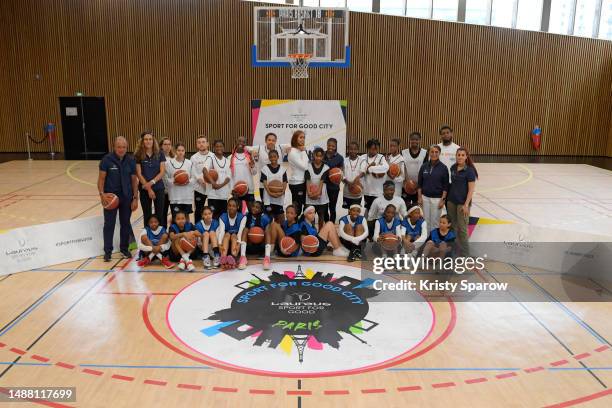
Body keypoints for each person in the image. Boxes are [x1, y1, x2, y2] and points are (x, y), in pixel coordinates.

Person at [98, 136, 138, 262]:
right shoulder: (106, 160)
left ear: (127, 148)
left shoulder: (131, 160)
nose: (121, 149)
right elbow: (101, 179)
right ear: (114, 147)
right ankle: (107, 251)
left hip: (127, 197)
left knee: (125, 223)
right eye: (119, 147)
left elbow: (134, 181)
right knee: (109, 224)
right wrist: (102, 194)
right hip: (111, 197)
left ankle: (124, 249)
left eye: (124, 147)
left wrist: (135, 198)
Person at [446, 147, 477, 256]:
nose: (460, 157)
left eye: (462, 155)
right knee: (453, 227)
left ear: (466, 157)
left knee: (462, 229)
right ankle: (455, 250)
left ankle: (466, 254)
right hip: (451, 202)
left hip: (462, 204)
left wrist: (466, 204)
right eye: (458, 155)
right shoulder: (453, 168)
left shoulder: (470, 171)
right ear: (456, 156)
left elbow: (471, 190)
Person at [135, 131, 166, 228]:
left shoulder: (160, 153)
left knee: (159, 214)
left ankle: (160, 237)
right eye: (146, 139)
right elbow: (139, 174)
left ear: (153, 141)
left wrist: (152, 183)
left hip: (159, 188)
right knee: (147, 214)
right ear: (142, 141)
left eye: (150, 139)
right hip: (144, 189)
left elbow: (162, 172)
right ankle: (147, 236)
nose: (148, 141)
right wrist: (148, 189)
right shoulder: (138, 154)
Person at [246, 132, 290, 200]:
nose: (271, 142)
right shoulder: (259, 148)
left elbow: (292, 145)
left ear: (276, 141)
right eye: (269, 140)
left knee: (278, 207)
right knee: (265, 207)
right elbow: (246, 147)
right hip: (263, 185)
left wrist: (289, 148)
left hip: (278, 185)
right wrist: (252, 151)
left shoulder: (280, 147)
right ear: (265, 141)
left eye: (273, 140)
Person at [418, 145, 449, 232]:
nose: (434, 154)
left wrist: (442, 200)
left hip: (437, 199)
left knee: (435, 222)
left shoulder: (443, 168)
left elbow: (445, 186)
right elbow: (420, 184)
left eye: (436, 152)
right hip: (425, 198)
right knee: (425, 220)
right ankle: (426, 240)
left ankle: (434, 241)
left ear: (439, 153)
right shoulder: (424, 166)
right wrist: (420, 197)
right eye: (432, 152)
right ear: (429, 153)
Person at [163, 142, 195, 221]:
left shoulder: (189, 163)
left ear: (185, 151)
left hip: (186, 196)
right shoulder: (168, 163)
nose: (180, 152)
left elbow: (193, 177)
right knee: (175, 217)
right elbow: (165, 177)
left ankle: (188, 232)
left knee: (186, 216)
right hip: (175, 196)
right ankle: (175, 232)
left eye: (182, 150)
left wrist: (188, 181)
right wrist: (173, 182)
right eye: (178, 150)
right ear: (175, 151)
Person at [239, 201, 272, 269]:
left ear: (261, 210)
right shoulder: (247, 216)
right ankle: (243, 257)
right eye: (253, 206)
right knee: (245, 229)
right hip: (249, 246)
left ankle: (267, 258)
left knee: (267, 231)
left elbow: (268, 232)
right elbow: (240, 231)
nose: (254, 208)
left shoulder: (264, 218)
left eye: (257, 207)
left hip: (260, 246)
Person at [204, 140, 232, 219]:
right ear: (214, 148)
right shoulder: (210, 158)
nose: (219, 148)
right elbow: (204, 170)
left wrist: (219, 185)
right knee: (213, 218)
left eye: (221, 146)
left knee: (222, 218)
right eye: (217, 146)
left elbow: (228, 177)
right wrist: (213, 183)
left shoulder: (227, 161)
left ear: (224, 148)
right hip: (213, 195)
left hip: (223, 195)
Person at [217, 198, 246, 270]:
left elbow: (240, 232)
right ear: (227, 206)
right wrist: (219, 244)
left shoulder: (242, 217)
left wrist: (238, 244)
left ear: (237, 207)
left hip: (235, 236)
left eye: (233, 206)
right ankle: (223, 257)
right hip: (225, 236)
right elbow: (221, 232)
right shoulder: (223, 216)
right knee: (227, 235)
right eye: (229, 205)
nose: (231, 207)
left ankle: (233, 256)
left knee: (234, 236)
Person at [362, 139, 389, 218]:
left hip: (378, 190)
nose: (374, 151)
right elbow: (362, 170)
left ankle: (377, 227)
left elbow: (385, 168)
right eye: (372, 149)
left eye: (376, 149)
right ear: (368, 148)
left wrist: (371, 168)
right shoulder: (363, 157)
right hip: (367, 190)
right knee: (368, 208)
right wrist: (374, 168)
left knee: (378, 210)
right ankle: (367, 226)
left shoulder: (381, 157)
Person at [191, 135, 214, 224]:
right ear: (197, 145)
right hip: (199, 188)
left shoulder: (213, 156)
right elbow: (193, 173)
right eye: (199, 142)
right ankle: (197, 229)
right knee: (199, 210)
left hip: (211, 188)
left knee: (212, 209)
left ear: (207, 144)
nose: (201, 144)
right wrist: (201, 180)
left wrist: (209, 181)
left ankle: (212, 228)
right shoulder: (194, 157)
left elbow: (215, 172)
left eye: (203, 142)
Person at [305, 147, 330, 229]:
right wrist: (309, 193)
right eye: (317, 155)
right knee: (310, 216)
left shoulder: (326, 167)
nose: (318, 158)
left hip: (321, 196)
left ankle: (320, 231)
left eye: (320, 156)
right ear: (313, 156)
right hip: (310, 196)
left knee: (321, 215)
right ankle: (312, 231)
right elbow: (308, 181)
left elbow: (322, 182)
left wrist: (317, 194)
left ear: (323, 157)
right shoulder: (308, 166)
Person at [230, 136, 257, 212]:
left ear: (246, 144)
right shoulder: (231, 157)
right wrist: (232, 189)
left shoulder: (249, 157)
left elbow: (254, 173)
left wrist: (252, 166)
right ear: (236, 142)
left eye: (243, 142)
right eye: (239, 141)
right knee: (238, 213)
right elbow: (230, 175)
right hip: (236, 189)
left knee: (252, 212)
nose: (241, 143)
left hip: (249, 189)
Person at [260, 149, 287, 223]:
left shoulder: (283, 169)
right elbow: (264, 183)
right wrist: (270, 193)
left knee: (281, 220)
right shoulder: (265, 169)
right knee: (268, 220)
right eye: (271, 157)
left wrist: (281, 193)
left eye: (274, 156)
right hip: (268, 199)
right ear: (269, 158)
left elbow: (284, 183)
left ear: (278, 157)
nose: (273, 158)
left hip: (279, 198)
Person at [402, 132, 428, 208]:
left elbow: (425, 169)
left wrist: (418, 184)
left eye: (416, 139)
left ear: (419, 140)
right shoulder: (403, 152)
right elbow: (403, 168)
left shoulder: (425, 153)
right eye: (412, 139)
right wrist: (408, 182)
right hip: (406, 186)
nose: (414, 141)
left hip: (419, 187)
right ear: (410, 140)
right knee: (406, 207)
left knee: (417, 208)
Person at [287, 130, 310, 216]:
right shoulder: (293, 152)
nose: (302, 139)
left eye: (304, 137)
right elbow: (305, 166)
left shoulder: (299, 150)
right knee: (297, 209)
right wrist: (304, 151)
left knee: (305, 207)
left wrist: (302, 151)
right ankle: (293, 227)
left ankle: (302, 226)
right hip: (297, 183)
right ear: (295, 139)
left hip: (302, 182)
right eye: (300, 137)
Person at [323, 138, 344, 223]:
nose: (331, 147)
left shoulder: (339, 158)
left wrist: (337, 176)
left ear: (336, 147)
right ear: (327, 145)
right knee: (324, 207)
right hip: (323, 185)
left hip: (334, 187)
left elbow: (341, 173)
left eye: (333, 146)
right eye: (329, 145)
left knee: (332, 207)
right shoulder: (322, 155)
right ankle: (326, 223)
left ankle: (331, 224)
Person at [342, 141, 366, 209]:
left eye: (355, 149)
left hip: (357, 191)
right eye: (351, 149)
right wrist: (348, 183)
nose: (353, 151)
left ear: (357, 150)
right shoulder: (344, 160)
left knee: (355, 210)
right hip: (347, 191)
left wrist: (357, 179)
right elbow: (341, 174)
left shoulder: (362, 160)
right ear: (348, 149)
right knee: (349, 211)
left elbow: (363, 172)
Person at [159, 137, 174, 227]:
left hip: (173, 190)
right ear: (161, 146)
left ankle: (173, 233)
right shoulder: (158, 158)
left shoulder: (174, 158)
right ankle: (163, 232)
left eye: (169, 144)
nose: (167, 146)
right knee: (163, 212)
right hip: (163, 190)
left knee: (174, 213)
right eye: (165, 144)